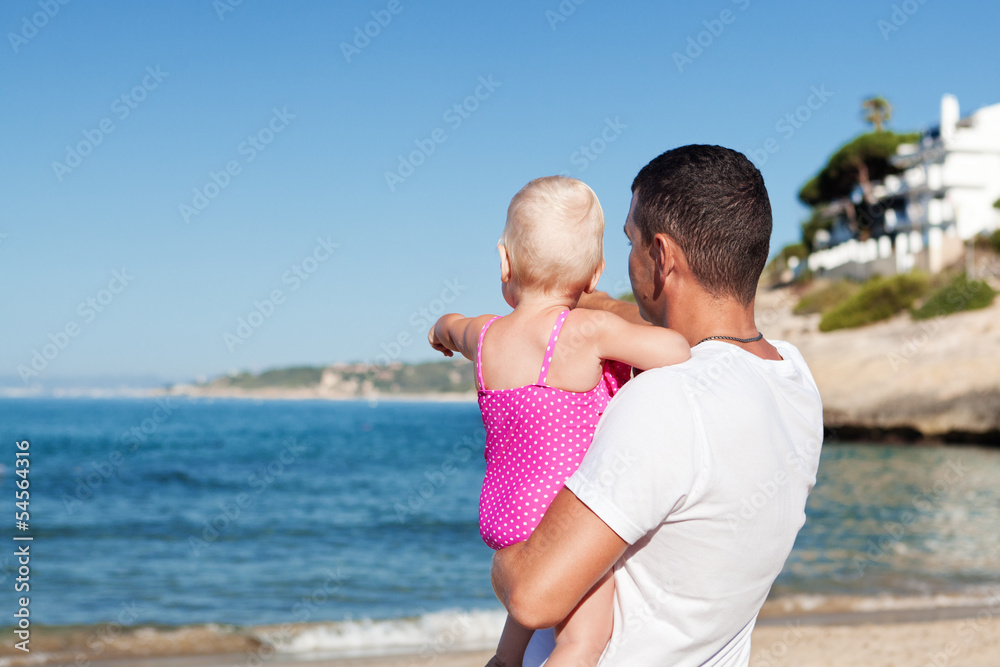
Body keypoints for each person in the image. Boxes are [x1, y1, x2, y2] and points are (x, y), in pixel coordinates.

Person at [490, 145, 824, 666]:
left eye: (630, 242)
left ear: (663, 257)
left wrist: (504, 550)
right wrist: (568, 305)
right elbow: (669, 331)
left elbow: (534, 595)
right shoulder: (794, 379)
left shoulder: (668, 399)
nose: (626, 259)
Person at [428, 175, 691, 666]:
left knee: (531, 584)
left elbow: (451, 325)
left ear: (504, 262)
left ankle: (505, 659)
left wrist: (439, 332)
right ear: (594, 275)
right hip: (564, 518)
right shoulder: (587, 331)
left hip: (505, 514)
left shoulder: (485, 335)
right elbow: (676, 349)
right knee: (582, 641)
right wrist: (620, 322)